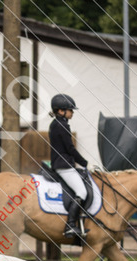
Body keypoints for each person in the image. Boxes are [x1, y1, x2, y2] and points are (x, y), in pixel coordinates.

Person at [49, 93, 89, 238]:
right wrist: (85, 163)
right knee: (82, 192)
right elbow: (70, 149)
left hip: (62, 164)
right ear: (61, 111)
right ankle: (70, 225)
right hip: (64, 166)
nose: (72, 112)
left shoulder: (56, 124)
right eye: (70, 110)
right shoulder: (62, 126)